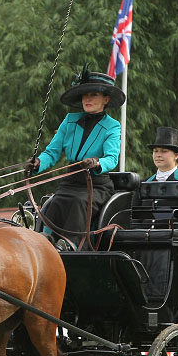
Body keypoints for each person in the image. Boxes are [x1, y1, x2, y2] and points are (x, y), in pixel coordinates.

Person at [31, 66, 124, 249]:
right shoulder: (69, 120)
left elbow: (112, 158)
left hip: (95, 185)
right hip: (69, 182)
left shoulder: (113, 126)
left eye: (93, 95)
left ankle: (69, 244)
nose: (87, 99)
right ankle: (44, 242)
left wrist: (97, 162)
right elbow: (52, 152)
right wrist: (38, 163)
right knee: (54, 202)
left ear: (106, 99)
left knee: (78, 202)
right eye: (84, 95)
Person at [136, 126, 178, 227]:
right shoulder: (143, 184)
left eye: (164, 151)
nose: (158, 155)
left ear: (176, 155)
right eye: (155, 151)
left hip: (173, 240)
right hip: (144, 240)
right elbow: (134, 218)